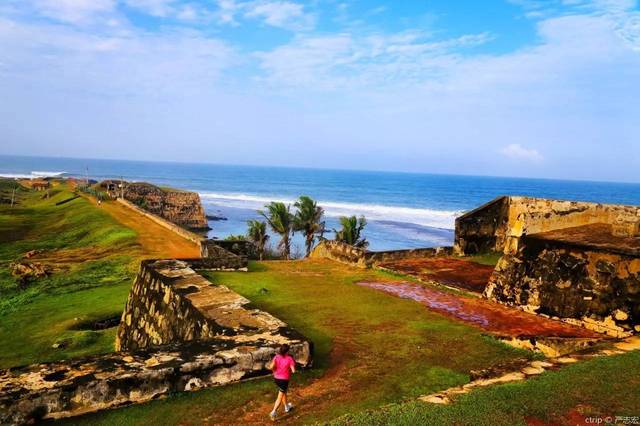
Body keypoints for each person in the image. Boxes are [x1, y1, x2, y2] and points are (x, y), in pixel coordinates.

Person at [268, 344, 296, 421]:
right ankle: (273, 412)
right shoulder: (289, 358)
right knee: (280, 396)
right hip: (284, 380)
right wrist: (290, 368)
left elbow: (271, 367)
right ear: (287, 351)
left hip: (276, 379)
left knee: (284, 392)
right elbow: (293, 370)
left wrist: (275, 371)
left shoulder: (276, 357)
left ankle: (287, 407)